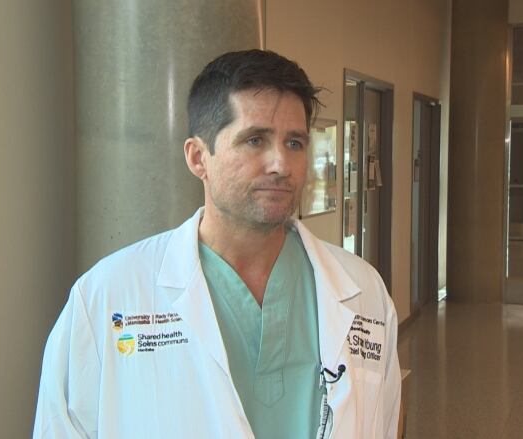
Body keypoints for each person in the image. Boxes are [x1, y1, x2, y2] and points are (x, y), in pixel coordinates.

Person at [33, 50, 401, 439]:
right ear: (198, 158)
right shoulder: (106, 296)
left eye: (295, 143)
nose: (280, 164)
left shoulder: (364, 292)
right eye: (255, 139)